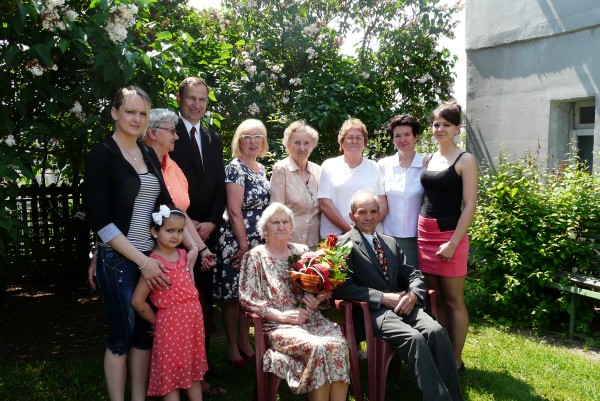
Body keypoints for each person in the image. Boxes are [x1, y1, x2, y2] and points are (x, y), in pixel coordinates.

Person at [84, 86, 199, 401]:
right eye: (130, 112)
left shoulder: (147, 153)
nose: (136, 119)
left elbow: (167, 204)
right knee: (121, 336)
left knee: (144, 335)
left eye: (142, 113)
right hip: (119, 261)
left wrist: (192, 247)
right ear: (115, 113)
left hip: (153, 257)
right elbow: (100, 220)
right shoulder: (101, 156)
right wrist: (142, 261)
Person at [333, 191, 464, 401]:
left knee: (436, 331)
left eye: (373, 211)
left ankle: (454, 396)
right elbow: (342, 288)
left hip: (403, 304)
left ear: (379, 214)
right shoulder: (343, 245)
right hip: (371, 312)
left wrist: (413, 296)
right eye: (362, 212)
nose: (369, 217)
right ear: (352, 216)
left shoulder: (389, 242)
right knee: (414, 338)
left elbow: (412, 274)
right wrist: (382, 298)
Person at [142, 108, 226, 396]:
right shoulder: (144, 164)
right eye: (171, 131)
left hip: (181, 252)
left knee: (194, 313)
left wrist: (199, 248)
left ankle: (194, 379)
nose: (177, 136)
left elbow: (181, 212)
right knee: (165, 323)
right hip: (157, 254)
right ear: (152, 132)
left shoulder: (172, 166)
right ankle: (168, 384)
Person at [239, 202, 350, 400]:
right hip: (278, 325)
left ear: (291, 227)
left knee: (338, 344)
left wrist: (317, 299)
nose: (281, 227)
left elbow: (321, 286)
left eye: (285, 222)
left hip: (312, 319)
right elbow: (248, 299)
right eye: (275, 223)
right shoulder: (255, 257)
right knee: (319, 347)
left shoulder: (302, 251)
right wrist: (282, 316)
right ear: (264, 229)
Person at [170, 77, 226, 376]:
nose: (197, 104)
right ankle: (178, 366)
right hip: (175, 231)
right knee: (181, 303)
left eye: (202, 99)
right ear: (180, 99)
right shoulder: (168, 132)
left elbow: (219, 184)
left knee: (203, 301)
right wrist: (186, 223)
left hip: (208, 232)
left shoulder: (212, 137)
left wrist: (212, 221)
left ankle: (202, 367)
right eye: (191, 98)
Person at [417, 101, 477, 371]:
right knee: (436, 299)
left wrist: (453, 244)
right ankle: (442, 354)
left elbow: (470, 205)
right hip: (425, 235)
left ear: (457, 128)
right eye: (436, 124)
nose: (440, 129)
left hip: (450, 236)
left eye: (446, 125)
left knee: (454, 301)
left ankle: (455, 360)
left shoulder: (465, 160)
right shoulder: (428, 158)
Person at [132, 205, 208, 401]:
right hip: (171, 326)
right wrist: (158, 322)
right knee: (171, 373)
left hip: (192, 323)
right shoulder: (153, 264)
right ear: (155, 231)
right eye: (170, 230)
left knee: (192, 369)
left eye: (180, 231)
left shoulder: (184, 255)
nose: (176, 236)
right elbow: (138, 301)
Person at [215, 119, 270, 367]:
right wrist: (244, 245)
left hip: (257, 242)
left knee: (248, 294)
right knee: (231, 296)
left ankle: (245, 342)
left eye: (258, 136)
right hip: (237, 240)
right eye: (247, 136)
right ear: (239, 140)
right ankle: (231, 346)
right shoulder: (235, 168)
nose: (253, 141)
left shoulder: (261, 168)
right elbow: (234, 210)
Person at [317, 117, 388, 239]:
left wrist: (366, 229)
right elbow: (324, 204)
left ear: (365, 143)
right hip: (337, 237)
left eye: (359, 138)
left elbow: (383, 205)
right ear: (341, 142)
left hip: (370, 236)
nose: (354, 141)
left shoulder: (374, 167)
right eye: (350, 137)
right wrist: (351, 231)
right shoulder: (329, 166)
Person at [378, 114, 425, 267]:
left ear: (416, 137)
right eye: (397, 136)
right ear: (392, 139)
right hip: (387, 236)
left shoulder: (426, 164)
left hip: (417, 237)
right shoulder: (383, 165)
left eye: (407, 134)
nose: (402, 139)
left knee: (414, 277)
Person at [270, 120, 321, 249]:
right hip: (289, 243)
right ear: (288, 144)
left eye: (306, 143)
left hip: (314, 243)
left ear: (312, 145)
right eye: (297, 143)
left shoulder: (318, 170)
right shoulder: (281, 169)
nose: (302, 148)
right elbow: (277, 210)